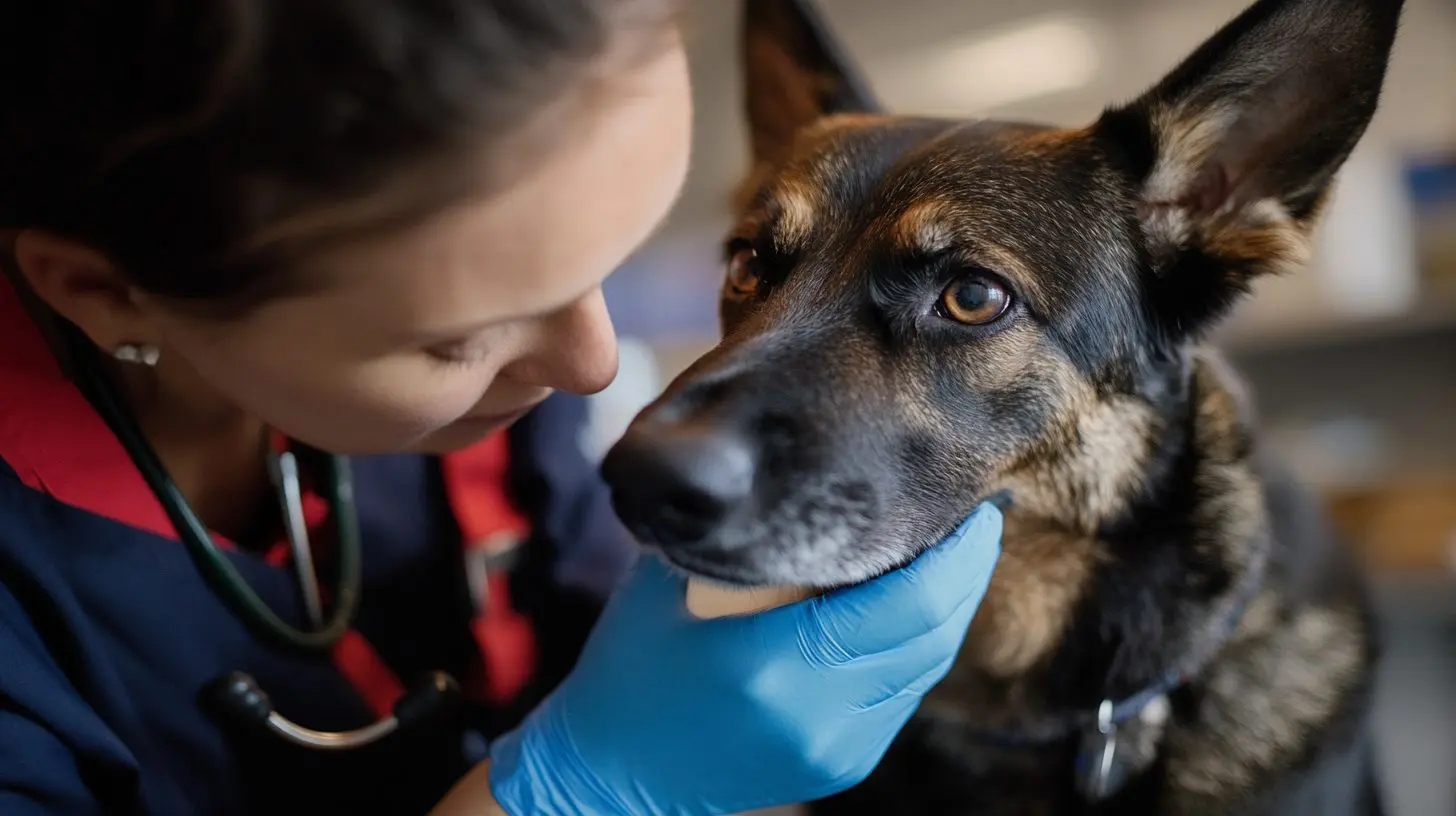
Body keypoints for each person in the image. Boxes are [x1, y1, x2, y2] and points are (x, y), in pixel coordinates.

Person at [0, 2, 1004, 814]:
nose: (595, 368)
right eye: (460, 337)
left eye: (608, 265)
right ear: (108, 293)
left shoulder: (480, 396)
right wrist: (579, 790)